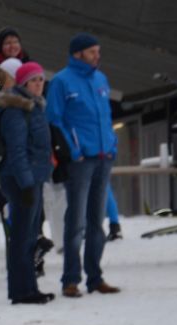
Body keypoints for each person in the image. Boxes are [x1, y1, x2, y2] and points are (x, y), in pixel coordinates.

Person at [47, 34, 120, 297]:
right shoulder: (61, 81)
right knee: (75, 221)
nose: (97, 56)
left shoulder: (100, 79)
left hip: (103, 156)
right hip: (80, 160)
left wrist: (112, 144)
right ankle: (70, 279)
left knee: (95, 220)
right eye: (92, 52)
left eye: (98, 51)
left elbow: (106, 115)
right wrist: (73, 149)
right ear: (77, 54)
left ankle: (95, 276)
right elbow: (54, 119)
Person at [0, 62, 54, 304]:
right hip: (21, 180)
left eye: (41, 79)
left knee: (30, 235)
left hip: (33, 178)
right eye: (33, 80)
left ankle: (30, 287)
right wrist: (27, 183)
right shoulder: (16, 109)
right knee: (22, 237)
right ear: (23, 84)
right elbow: (17, 150)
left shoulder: (34, 106)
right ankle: (21, 290)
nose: (38, 84)